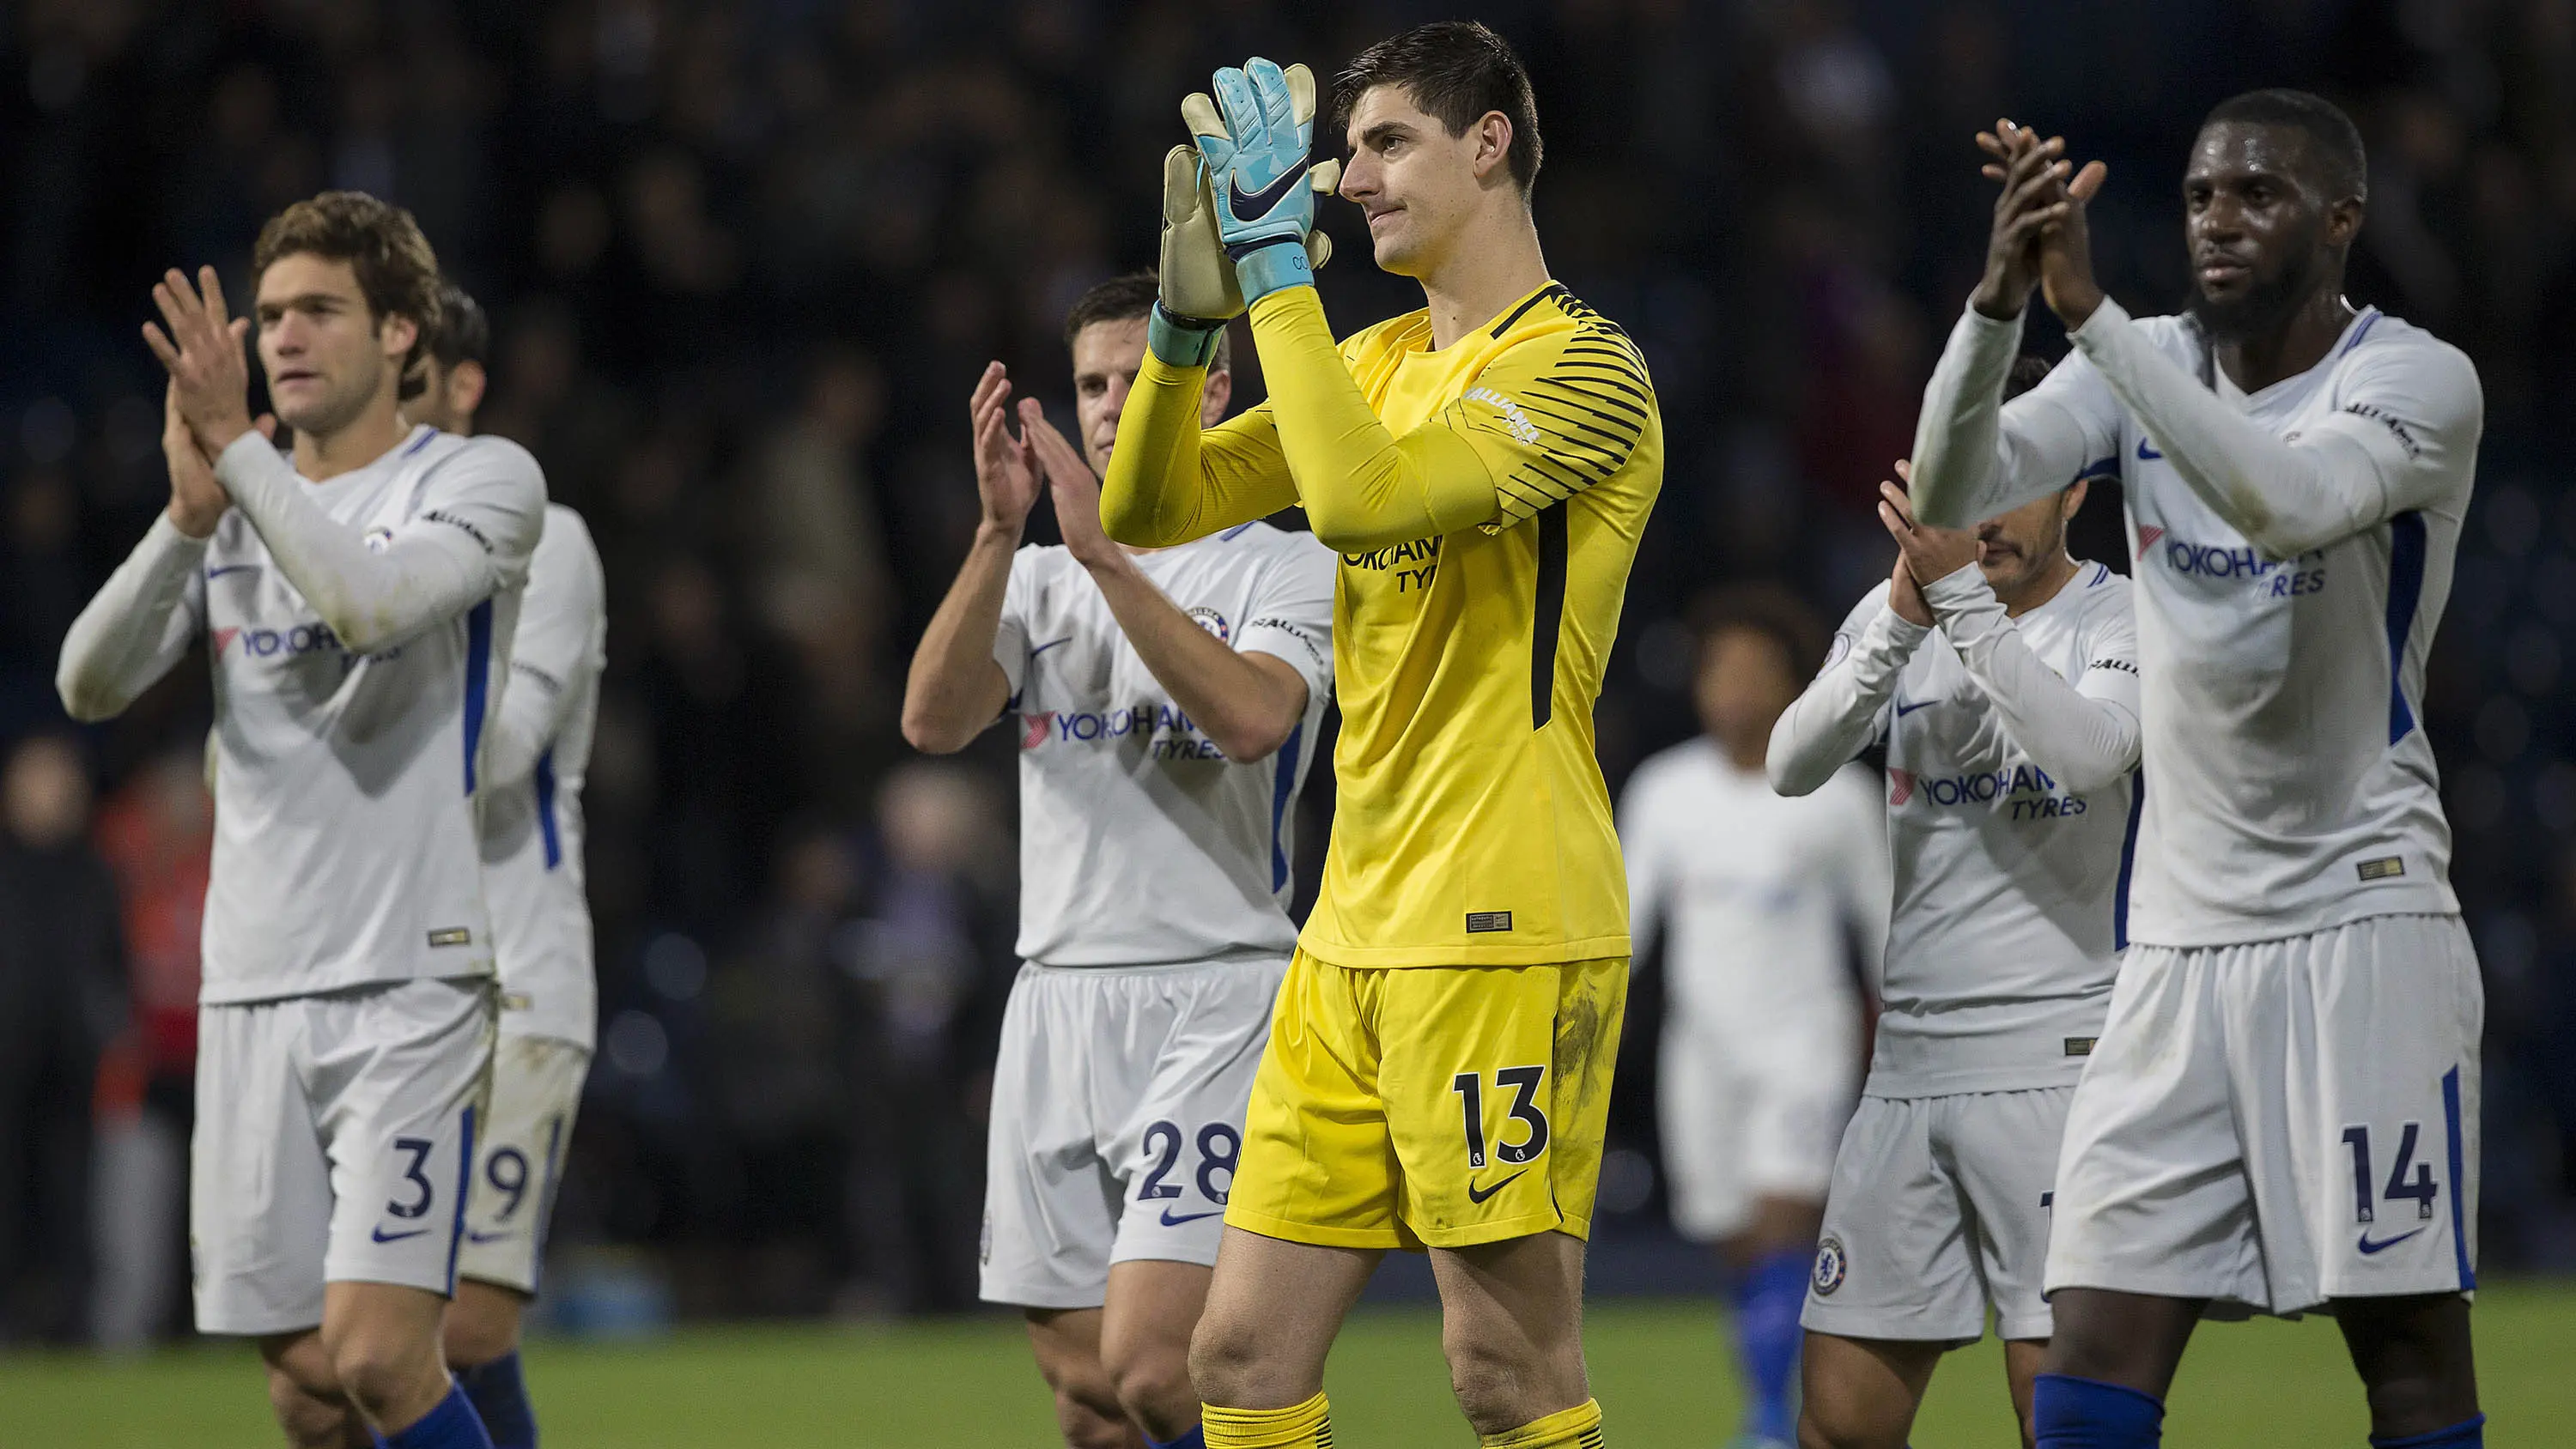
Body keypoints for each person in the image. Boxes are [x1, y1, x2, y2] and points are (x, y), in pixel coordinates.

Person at [1100, 23, 1664, 1449]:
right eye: (1341, 152)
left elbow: (1359, 504)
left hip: (1503, 921)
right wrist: (1184, 332)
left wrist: (1276, 270)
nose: (1348, 178)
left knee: (1503, 1369)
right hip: (1350, 926)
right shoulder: (1375, 358)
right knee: (1234, 1358)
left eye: (1385, 142)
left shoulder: (1587, 373)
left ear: (1492, 144)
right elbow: (1146, 507)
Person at [1906, 93, 2486, 1449]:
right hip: (2173, 948)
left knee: (2404, 1356)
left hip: (2363, 920)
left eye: (2261, 195)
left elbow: (2282, 500)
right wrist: (1998, 310)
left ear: (2341, 221)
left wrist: (2092, 319)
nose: (2221, 220)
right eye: (2202, 197)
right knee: (2089, 1357)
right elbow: (1951, 484)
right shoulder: (2136, 364)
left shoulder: (2415, 382)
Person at [58, 191, 546, 1449]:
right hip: (249, 989)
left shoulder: (480, 480)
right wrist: (185, 519)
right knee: (305, 1387)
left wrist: (245, 462)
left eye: (319, 310)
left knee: (383, 1358)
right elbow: (89, 684)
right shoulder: (236, 505)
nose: (282, 337)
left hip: (412, 985)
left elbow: (370, 606)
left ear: (399, 333)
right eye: (270, 314)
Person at [902, 270, 1337, 1449]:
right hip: (1056, 1001)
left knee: (1158, 1368)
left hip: (1220, 996)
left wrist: (1107, 559)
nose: (1107, 405)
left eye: (1140, 377)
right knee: (1088, 1397)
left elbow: (1254, 720)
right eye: (1091, 382)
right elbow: (934, 722)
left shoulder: (1284, 566)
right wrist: (1004, 533)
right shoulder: (1035, 578)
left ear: (1213, 393)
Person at [1769, 356, 2140, 1449]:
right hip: (1910, 1066)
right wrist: (1896, 617)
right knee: (1837, 1425)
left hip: (2059, 1062)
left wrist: (1963, 607)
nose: (1986, 509)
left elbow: (2089, 753)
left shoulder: (2120, 617)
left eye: (2017, 475)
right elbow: (1792, 762)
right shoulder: (1901, 618)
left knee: (2062, 1419)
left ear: (2077, 487)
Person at [1619, 587, 1887, 1449]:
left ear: (1792, 684)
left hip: (1804, 1040)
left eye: (1754, 670)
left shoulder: (1837, 794)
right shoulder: (1665, 791)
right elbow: (1624, 928)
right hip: (1701, 1053)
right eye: (1719, 670)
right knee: (1738, 1240)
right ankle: (1772, 1395)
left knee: (1782, 1219)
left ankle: (1772, 1420)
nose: (1734, 688)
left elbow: (1885, 931)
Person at [410, 282, 608, 1449]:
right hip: (382, 980)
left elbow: (501, 754)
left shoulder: (551, 540)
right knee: (348, 1350)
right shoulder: (338, 540)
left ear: (462, 384)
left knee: (463, 1328)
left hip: (516, 983)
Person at [0, 734, 125, 1344]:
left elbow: (115, 963)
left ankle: (73, 1322)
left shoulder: (94, 869)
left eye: (62, 781)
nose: (53, 794)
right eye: (39, 780)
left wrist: (108, 1027)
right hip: (7, 1059)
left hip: (74, 1062)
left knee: (74, 1194)